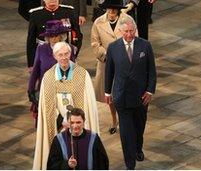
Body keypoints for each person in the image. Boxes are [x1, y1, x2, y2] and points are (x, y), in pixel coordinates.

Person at [33, 42, 99, 170]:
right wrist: (61, 121)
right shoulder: (48, 77)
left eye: (66, 54)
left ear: (70, 54)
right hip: (58, 126)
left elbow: (88, 104)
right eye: (60, 55)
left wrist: (73, 121)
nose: (64, 57)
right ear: (55, 56)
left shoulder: (82, 75)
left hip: (78, 124)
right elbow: (47, 107)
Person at [105, 16, 156, 169]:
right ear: (120, 32)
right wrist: (107, 92)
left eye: (131, 31)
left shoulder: (145, 46)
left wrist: (150, 91)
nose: (129, 34)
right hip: (121, 97)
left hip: (141, 97)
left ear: (135, 30)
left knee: (139, 127)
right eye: (126, 31)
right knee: (126, 133)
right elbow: (109, 72)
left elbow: (152, 71)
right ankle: (130, 163)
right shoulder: (113, 47)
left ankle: (138, 148)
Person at [91, 0, 136, 134]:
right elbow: (95, 43)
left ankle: (124, 119)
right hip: (106, 63)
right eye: (109, 9)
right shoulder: (98, 22)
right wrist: (107, 55)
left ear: (118, 10)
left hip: (124, 64)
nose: (111, 12)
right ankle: (113, 119)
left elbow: (135, 38)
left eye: (114, 10)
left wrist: (125, 56)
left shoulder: (127, 19)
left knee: (124, 92)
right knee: (109, 93)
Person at [28, 19, 77, 127]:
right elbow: (35, 71)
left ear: (62, 36)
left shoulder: (69, 49)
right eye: (51, 36)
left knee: (62, 125)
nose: (53, 39)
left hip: (63, 94)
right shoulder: (41, 49)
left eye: (56, 35)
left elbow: (73, 72)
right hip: (45, 92)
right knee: (44, 125)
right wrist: (30, 89)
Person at [27, 0, 83, 72]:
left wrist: (73, 53)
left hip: (65, 54)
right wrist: (31, 64)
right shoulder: (36, 14)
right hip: (44, 55)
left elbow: (78, 34)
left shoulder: (69, 11)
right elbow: (31, 40)